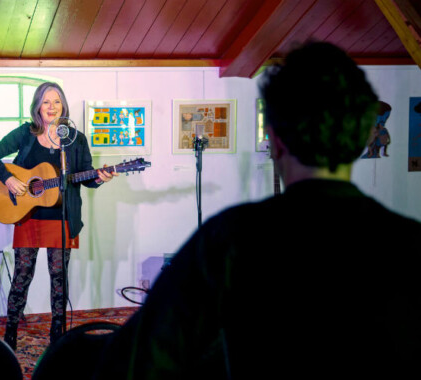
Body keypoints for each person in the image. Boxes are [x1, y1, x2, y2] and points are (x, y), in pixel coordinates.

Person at [94, 42, 421, 379]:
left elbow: (133, 364)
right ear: (366, 137)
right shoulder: (412, 243)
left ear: (274, 139)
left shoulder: (230, 238)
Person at [0, 82, 117, 350]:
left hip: (62, 217)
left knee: (59, 277)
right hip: (28, 213)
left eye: (57, 102)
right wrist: (8, 179)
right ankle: (10, 331)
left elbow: (85, 177)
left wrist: (100, 178)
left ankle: (58, 333)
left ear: (63, 106)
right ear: (37, 106)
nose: (52, 107)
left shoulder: (75, 139)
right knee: (22, 274)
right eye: (46, 102)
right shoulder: (26, 132)